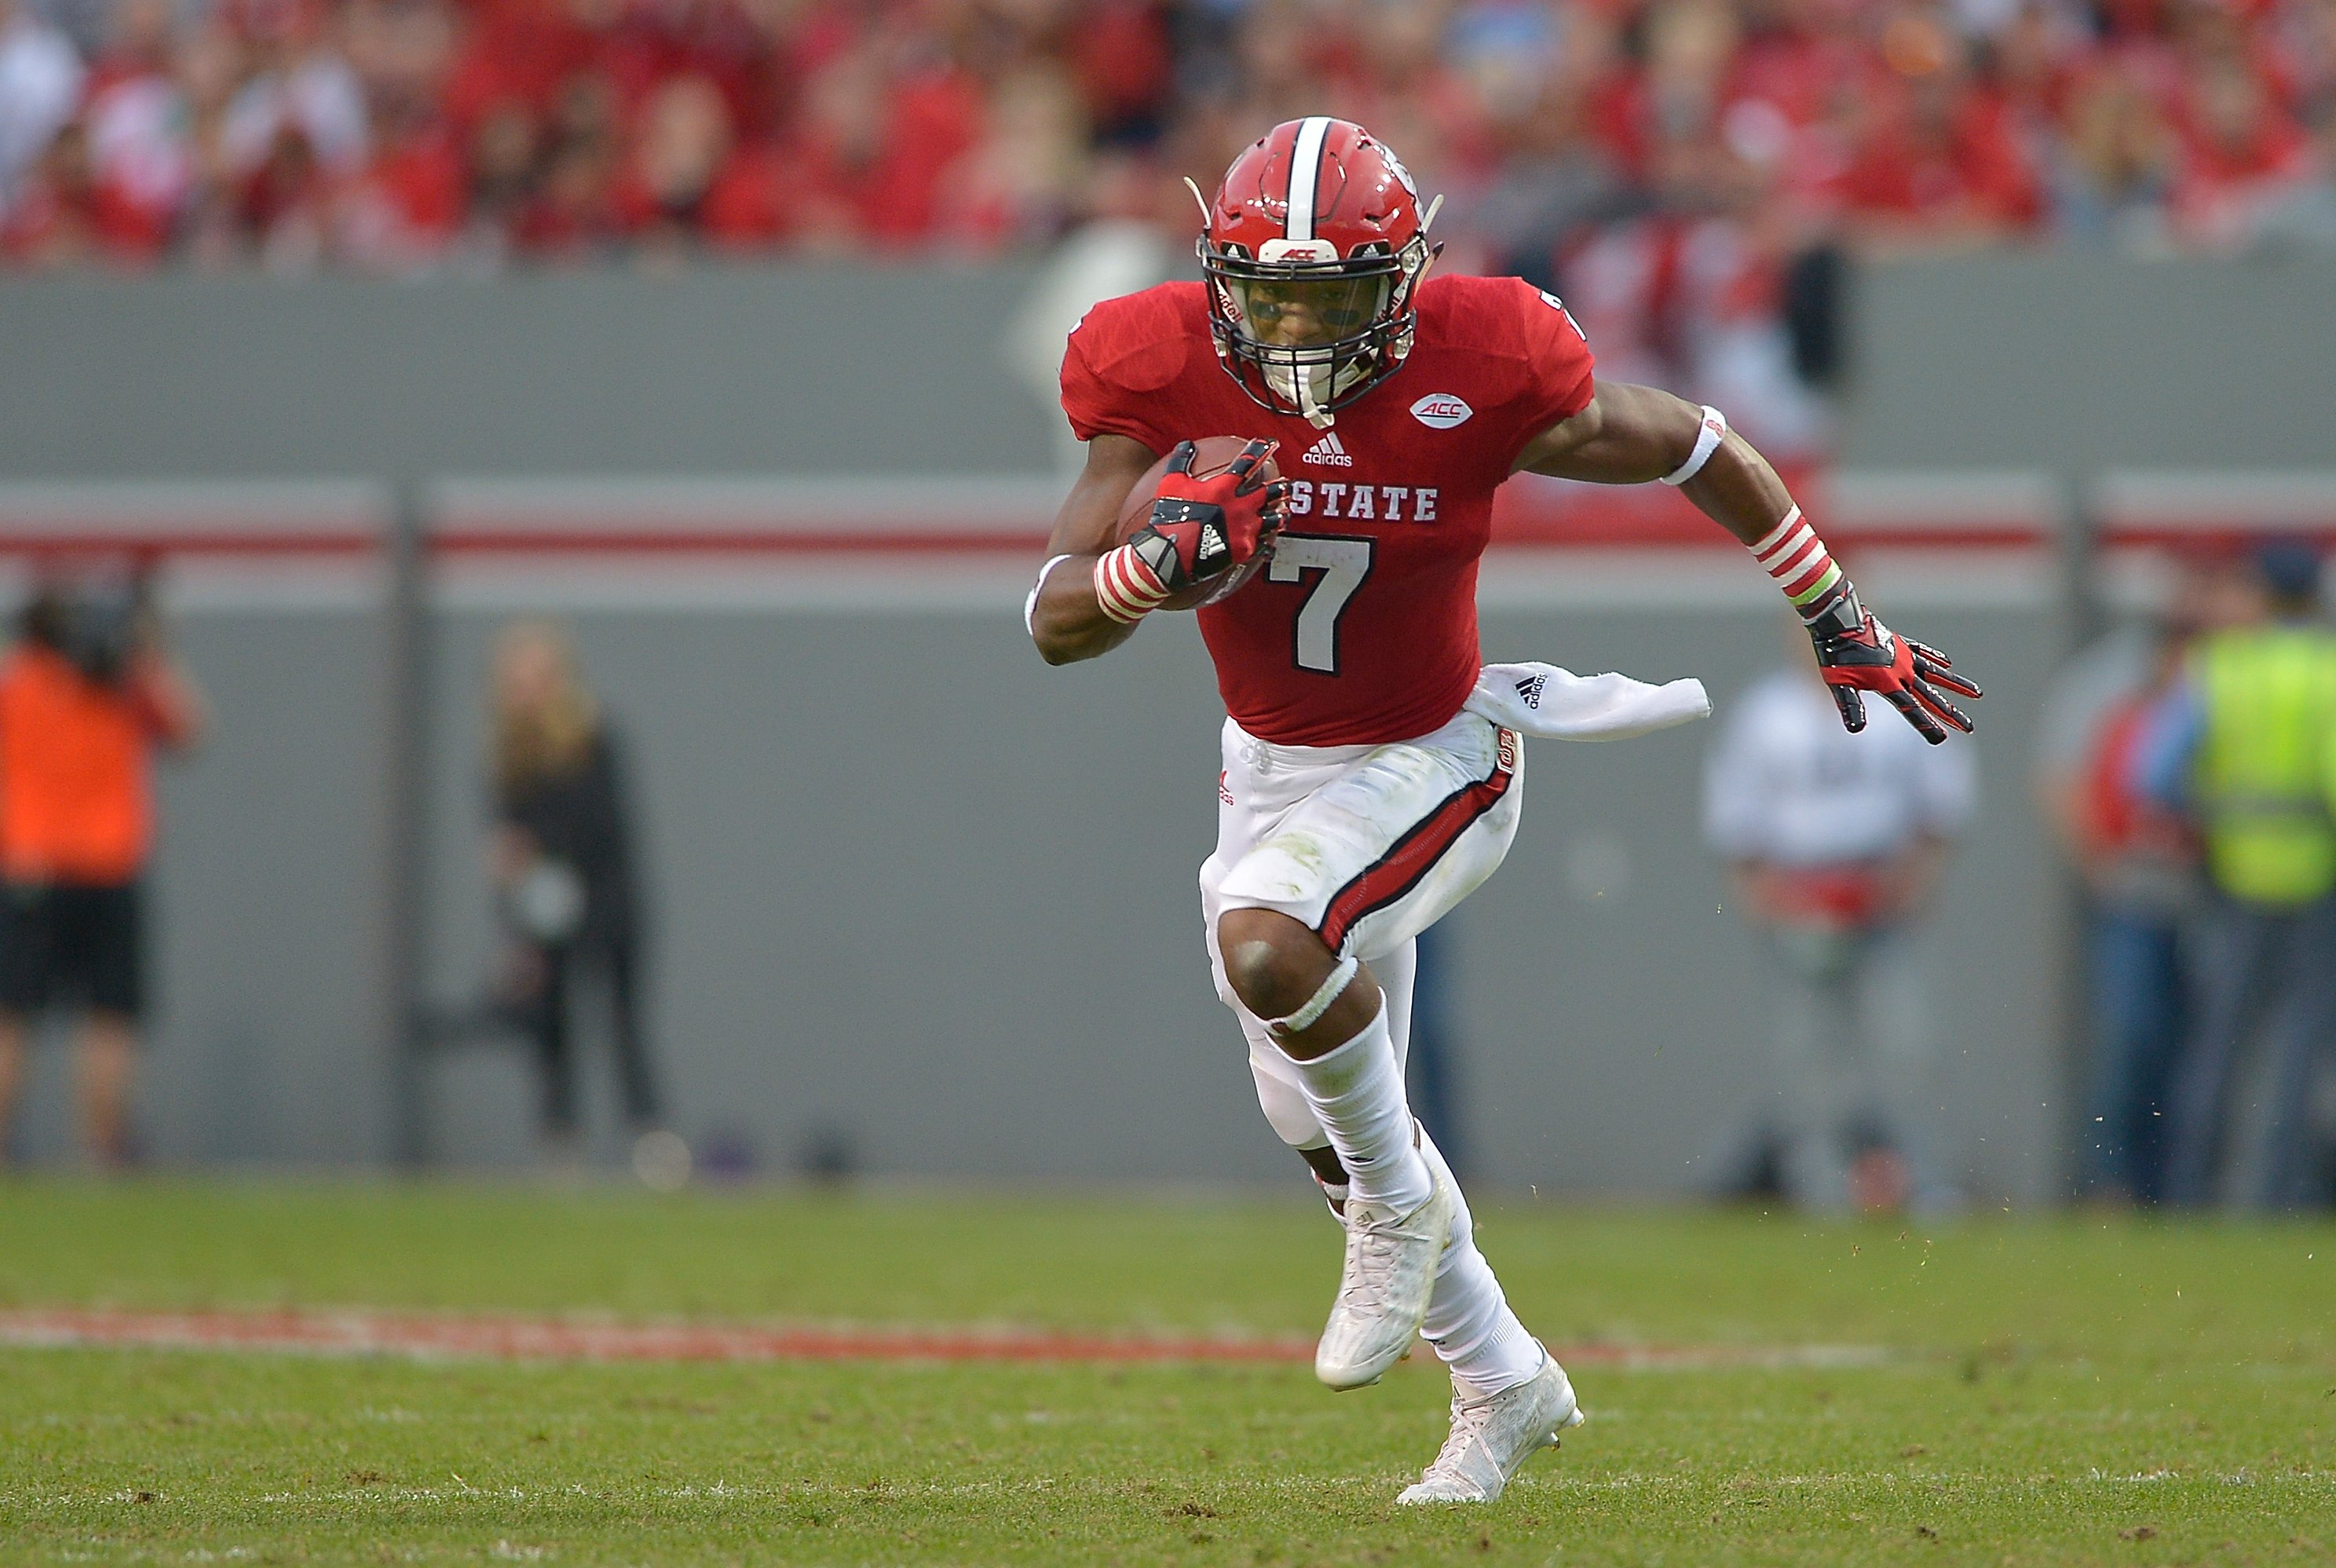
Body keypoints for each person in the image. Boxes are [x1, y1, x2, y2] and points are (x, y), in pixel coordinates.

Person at [1025, 117, 1980, 1505]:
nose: (1297, 331)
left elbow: (1699, 440)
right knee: (1320, 1120)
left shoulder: (1490, 357)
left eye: (1335, 297)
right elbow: (1053, 618)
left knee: (1268, 939)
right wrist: (1137, 577)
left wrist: (1832, 608)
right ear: (1219, 278)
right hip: (1276, 766)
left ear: (1406, 281)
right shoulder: (1151, 358)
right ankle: (1505, 1381)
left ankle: (1404, 1210)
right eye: (1271, 295)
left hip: (1442, 750)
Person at [1703, 621, 1978, 1215]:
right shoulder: (1764, 713)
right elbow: (1736, 821)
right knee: (1805, 1062)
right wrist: (1771, 902)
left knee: (1908, 1049)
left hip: (1880, 893)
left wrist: (1910, 882)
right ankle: (1821, 1190)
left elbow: (1941, 806)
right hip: (1799, 897)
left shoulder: (1897, 691)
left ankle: (1927, 1184)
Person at [2138, 543, 2336, 1210]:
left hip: (2231, 878)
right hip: (2315, 881)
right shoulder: (2326, 671)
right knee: (2299, 1055)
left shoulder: (2218, 668)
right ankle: (2277, 1197)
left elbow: (2152, 773)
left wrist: (2207, 817)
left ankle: (2191, 1194)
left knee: (2215, 1047)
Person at [0, 572, 203, 1167]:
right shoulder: (121, 683)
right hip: (106, 867)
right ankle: (100, 1145)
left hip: (32, 868)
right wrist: (146, 652)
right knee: (106, 1015)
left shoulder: (21, 683)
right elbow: (192, 728)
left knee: (16, 1009)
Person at [488, 620, 681, 1185]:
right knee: (551, 1026)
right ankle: (559, 1140)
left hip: (606, 903)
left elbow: (601, 827)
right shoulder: (507, 759)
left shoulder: (591, 742)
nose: (523, 693)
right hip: (543, 915)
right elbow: (507, 850)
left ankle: (650, 1141)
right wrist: (514, 931)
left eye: (534, 680)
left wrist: (537, 844)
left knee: (622, 1022)